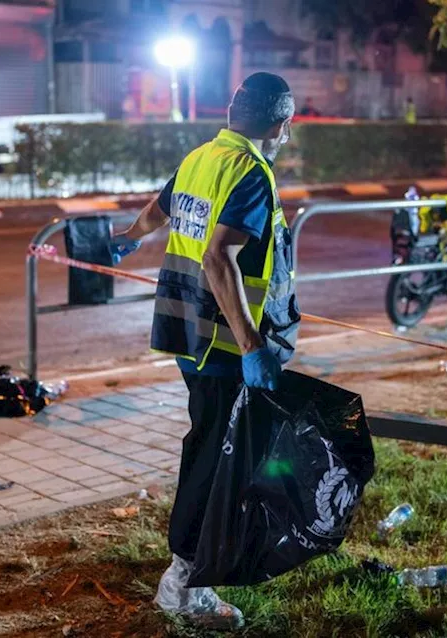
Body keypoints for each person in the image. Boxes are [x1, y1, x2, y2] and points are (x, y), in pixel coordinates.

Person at [111, 72, 300, 630]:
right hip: (223, 345)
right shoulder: (251, 173)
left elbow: (161, 208)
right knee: (214, 459)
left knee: (212, 446)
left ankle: (205, 559)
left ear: (231, 109)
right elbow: (219, 257)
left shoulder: (201, 157)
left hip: (188, 334)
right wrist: (252, 345)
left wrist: (127, 236)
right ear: (282, 124)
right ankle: (187, 581)